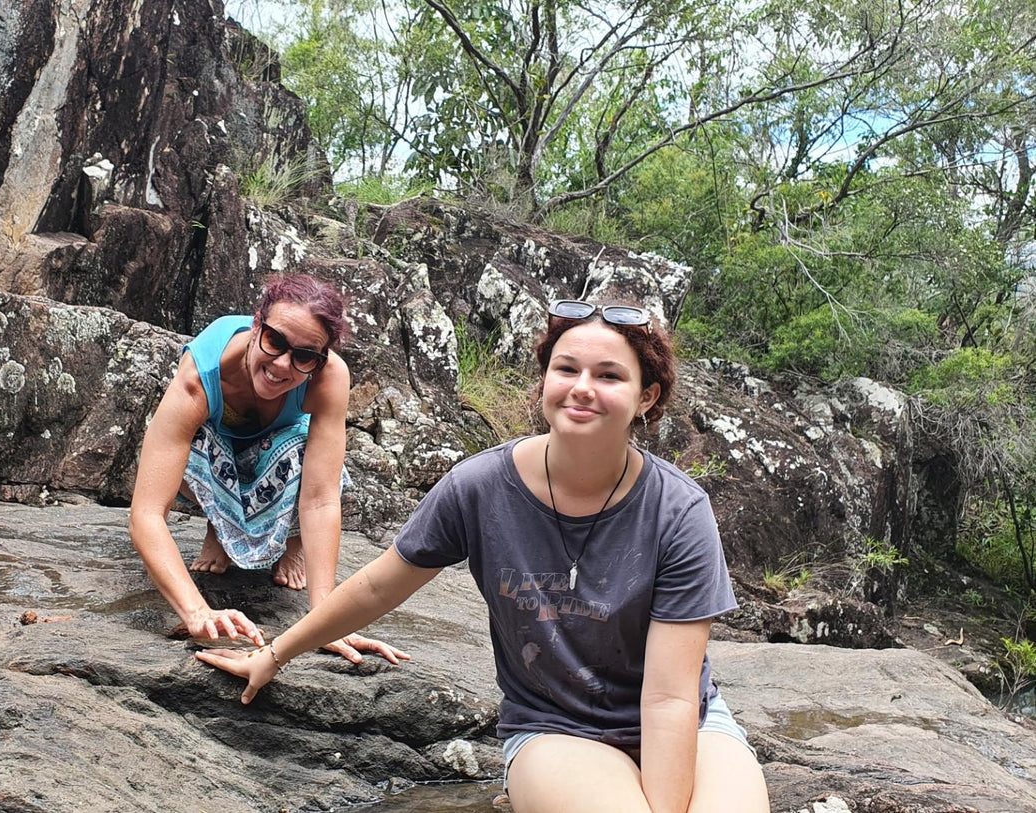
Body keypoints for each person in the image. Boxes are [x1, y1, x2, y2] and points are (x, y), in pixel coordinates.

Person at [197, 299, 770, 812]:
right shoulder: (481, 487)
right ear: (544, 380)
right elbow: (378, 586)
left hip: (687, 723)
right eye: (566, 369)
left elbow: (670, 697)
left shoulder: (678, 510)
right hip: (556, 729)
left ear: (646, 397)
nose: (582, 387)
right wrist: (274, 654)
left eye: (609, 375)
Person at [128, 273, 406, 665]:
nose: (282, 365)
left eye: (305, 356)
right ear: (256, 323)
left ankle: (290, 542)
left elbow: (321, 498)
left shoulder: (329, 378)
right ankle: (219, 527)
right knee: (189, 442)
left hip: (278, 460)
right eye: (275, 341)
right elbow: (147, 513)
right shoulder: (203, 374)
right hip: (212, 463)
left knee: (305, 447)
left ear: (321, 359)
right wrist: (197, 612)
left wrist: (323, 619)